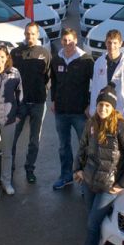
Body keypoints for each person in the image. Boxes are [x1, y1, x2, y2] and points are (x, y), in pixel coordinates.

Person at [71, 83, 124, 245]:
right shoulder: (91, 124)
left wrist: (121, 184)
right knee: (93, 223)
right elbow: (82, 148)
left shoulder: (123, 128)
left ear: (113, 108)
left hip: (108, 187)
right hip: (89, 182)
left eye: (107, 106)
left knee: (93, 224)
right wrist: (78, 170)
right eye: (100, 105)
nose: (103, 109)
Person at [50, 28, 94, 190]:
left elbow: (95, 84)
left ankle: (85, 181)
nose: (67, 43)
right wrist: (53, 100)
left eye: (70, 40)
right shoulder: (57, 59)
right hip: (61, 111)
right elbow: (53, 82)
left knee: (85, 147)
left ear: (76, 40)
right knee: (63, 146)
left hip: (80, 112)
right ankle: (66, 175)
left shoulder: (86, 60)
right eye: (64, 40)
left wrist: (90, 104)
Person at [11, 22, 51, 184]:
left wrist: (44, 91)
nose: (30, 37)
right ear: (24, 34)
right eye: (27, 33)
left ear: (38, 35)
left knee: (34, 140)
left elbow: (48, 76)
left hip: (38, 103)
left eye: (33, 34)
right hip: (19, 104)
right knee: (13, 138)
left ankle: (30, 169)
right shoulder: (15, 53)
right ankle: (10, 168)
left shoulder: (44, 53)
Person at [0, 44, 23, 197]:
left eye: (2, 56)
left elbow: (20, 94)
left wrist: (19, 114)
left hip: (9, 119)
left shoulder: (14, 73)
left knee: (7, 153)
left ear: (7, 57)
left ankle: (6, 182)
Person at [89, 29, 124, 122]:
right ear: (105, 43)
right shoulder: (99, 63)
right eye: (109, 42)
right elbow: (95, 88)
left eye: (115, 43)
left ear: (120, 44)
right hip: (102, 113)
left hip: (120, 114)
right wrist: (93, 111)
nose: (112, 46)